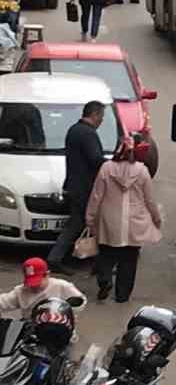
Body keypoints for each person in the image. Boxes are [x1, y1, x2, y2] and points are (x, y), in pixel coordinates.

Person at [84, 139, 163, 304]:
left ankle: (105, 280)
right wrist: (156, 218)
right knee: (129, 260)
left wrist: (90, 217)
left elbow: (96, 195)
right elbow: (150, 200)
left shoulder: (106, 168)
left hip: (108, 220)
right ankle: (122, 295)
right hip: (133, 223)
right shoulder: (142, 171)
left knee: (106, 254)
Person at [46, 100, 108, 271]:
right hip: (84, 188)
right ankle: (58, 257)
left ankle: (62, 257)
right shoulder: (88, 134)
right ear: (94, 115)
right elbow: (95, 159)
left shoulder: (74, 129)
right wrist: (112, 164)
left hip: (74, 185)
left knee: (77, 222)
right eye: (101, 117)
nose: (101, 121)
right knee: (81, 223)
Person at [0, 257, 79, 319]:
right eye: (31, 283)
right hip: (31, 327)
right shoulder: (21, 291)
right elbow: (4, 301)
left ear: (47, 275)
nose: (34, 286)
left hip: (59, 325)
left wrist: (69, 312)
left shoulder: (62, 286)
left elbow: (80, 301)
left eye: (37, 283)